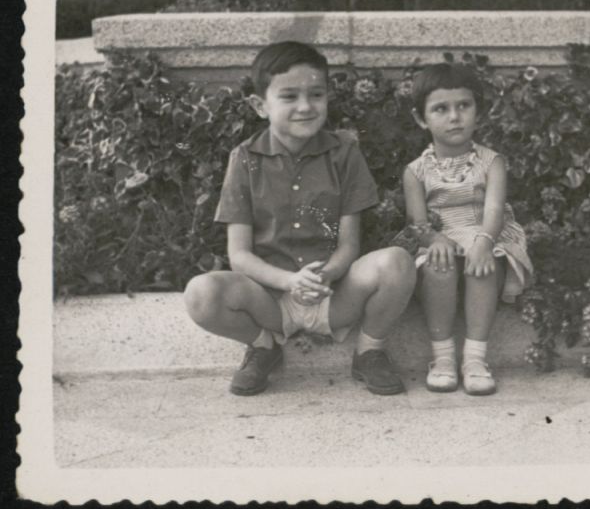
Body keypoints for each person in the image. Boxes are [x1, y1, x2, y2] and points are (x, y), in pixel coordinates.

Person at [184, 41, 416, 397]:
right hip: (270, 300)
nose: (306, 107)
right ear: (260, 106)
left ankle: (370, 351)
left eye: (316, 94)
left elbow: (349, 244)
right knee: (200, 294)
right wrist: (290, 281)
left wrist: (321, 276)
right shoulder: (244, 159)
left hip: (333, 295)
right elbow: (240, 255)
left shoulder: (344, 153)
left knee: (397, 262)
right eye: (289, 97)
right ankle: (263, 347)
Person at [402, 63, 533, 396]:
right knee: (437, 267)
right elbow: (418, 222)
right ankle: (443, 358)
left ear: (478, 112)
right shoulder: (415, 172)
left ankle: (475, 359)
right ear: (421, 119)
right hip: (441, 237)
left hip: (484, 231)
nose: (454, 117)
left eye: (464, 106)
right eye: (441, 109)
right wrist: (434, 238)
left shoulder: (491, 162)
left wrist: (484, 241)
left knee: (483, 267)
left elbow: (494, 210)